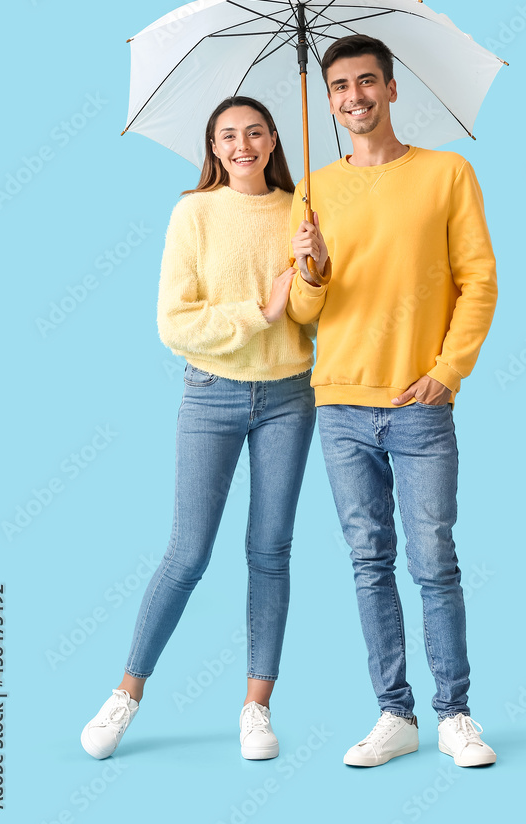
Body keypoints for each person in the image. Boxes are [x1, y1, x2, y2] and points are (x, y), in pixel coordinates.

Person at [80, 96, 316, 762]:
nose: (242, 144)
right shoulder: (194, 212)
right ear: (213, 148)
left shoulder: (303, 210)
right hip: (210, 395)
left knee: (271, 550)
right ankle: (127, 692)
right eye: (227, 135)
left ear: (274, 140)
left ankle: (256, 707)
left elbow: (314, 316)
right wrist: (260, 310)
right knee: (187, 554)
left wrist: (315, 270)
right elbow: (175, 323)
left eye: (255, 132)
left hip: (290, 396)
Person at [287, 34, 498, 768]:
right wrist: (310, 269)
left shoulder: (447, 174)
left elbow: (479, 282)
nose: (354, 98)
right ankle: (393, 714)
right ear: (330, 98)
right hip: (339, 405)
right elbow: (307, 314)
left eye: (366, 83)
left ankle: (455, 714)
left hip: (419, 404)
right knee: (368, 560)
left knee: (433, 558)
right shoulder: (312, 191)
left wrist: (448, 370)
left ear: (392, 88)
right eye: (340, 87)